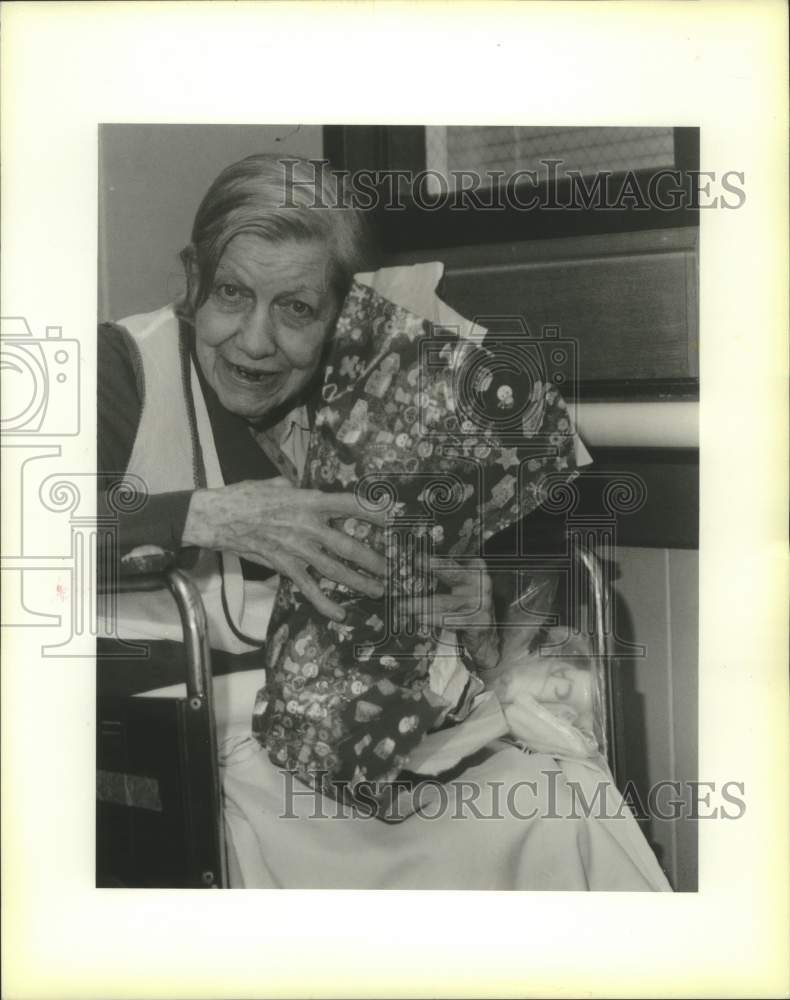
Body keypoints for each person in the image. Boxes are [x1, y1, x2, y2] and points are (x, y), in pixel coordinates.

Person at [98, 152, 671, 891]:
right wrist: (201, 515)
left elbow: (524, 579)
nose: (256, 340)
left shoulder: (385, 396)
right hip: (180, 734)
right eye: (232, 295)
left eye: (297, 308)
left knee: (561, 805)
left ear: (342, 309)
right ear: (192, 281)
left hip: (372, 736)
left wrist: (482, 609)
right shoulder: (120, 370)